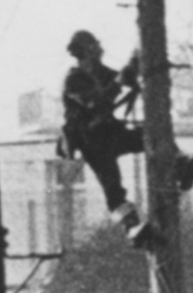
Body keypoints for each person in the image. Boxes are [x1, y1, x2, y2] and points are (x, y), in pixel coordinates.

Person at [60, 30, 150, 240]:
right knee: (112, 187)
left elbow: (122, 80)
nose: (100, 48)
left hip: (109, 133)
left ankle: (180, 164)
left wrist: (133, 66)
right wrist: (119, 81)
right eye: (94, 45)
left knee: (147, 137)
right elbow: (94, 101)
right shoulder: (74, 79)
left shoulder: (100, 72)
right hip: (91, 141)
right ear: (85, 50)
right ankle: (132, 227)